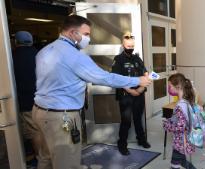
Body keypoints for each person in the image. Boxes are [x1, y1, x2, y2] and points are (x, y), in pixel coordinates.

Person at [32, 15, 152, 169]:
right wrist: (137, 81)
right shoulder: (74, 56)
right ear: (72, 33)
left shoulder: (44, 51)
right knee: (66, 164)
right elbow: (105, 78)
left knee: (46, 158)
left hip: (40, 111)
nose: (88, 38)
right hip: (61, 117)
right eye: (86, 34)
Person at [111, 32, 151, 156]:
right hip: (125, 95)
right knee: (126, 121)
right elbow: (116, 78)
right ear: (123, 46)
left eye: (132, 46)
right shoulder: (118, 59)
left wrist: (139, 89)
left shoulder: (137, 58)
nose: (130, 48)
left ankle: (141, 140)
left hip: (139, 93)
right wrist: (131, 90)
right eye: (128, 46)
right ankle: (122, 144)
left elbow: (145, 73)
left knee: (138, 119)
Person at [12, 31, 39, 167]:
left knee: (32, 132)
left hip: (25, 101)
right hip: (43, 100)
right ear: (31, 41)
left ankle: (40, 158)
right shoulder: (39, 54)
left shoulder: (12, 57)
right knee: (43, 129)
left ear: (16, 42)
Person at [163, 73, 197, 169]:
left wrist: (167, 125)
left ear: (177, 86)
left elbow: (180, 126)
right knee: (182, 161)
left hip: (181, 142)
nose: (169, 89)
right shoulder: (188, 100)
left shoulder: (180, 106)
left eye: (170, 86)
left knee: (175, 165)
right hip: (185, 140)